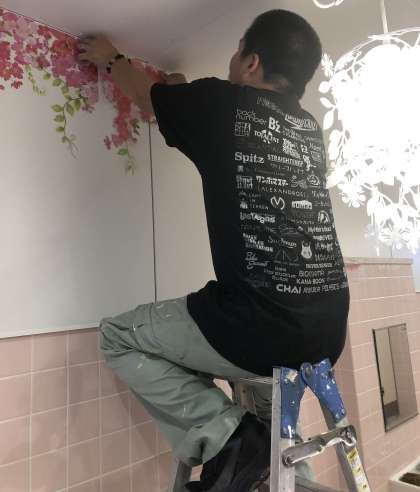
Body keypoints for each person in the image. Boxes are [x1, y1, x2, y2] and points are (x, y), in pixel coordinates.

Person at [80, 9, 349, 492]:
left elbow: (144, 97)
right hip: (327, 337)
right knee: (269, 423)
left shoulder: (221, 104)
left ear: (251, 61)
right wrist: (180, 91)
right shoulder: (309, 131)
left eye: (237, 51)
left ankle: (232, 440)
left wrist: (112, 57)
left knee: (119, 336)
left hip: (259, 327)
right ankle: (274, 464)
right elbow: (190, 111)